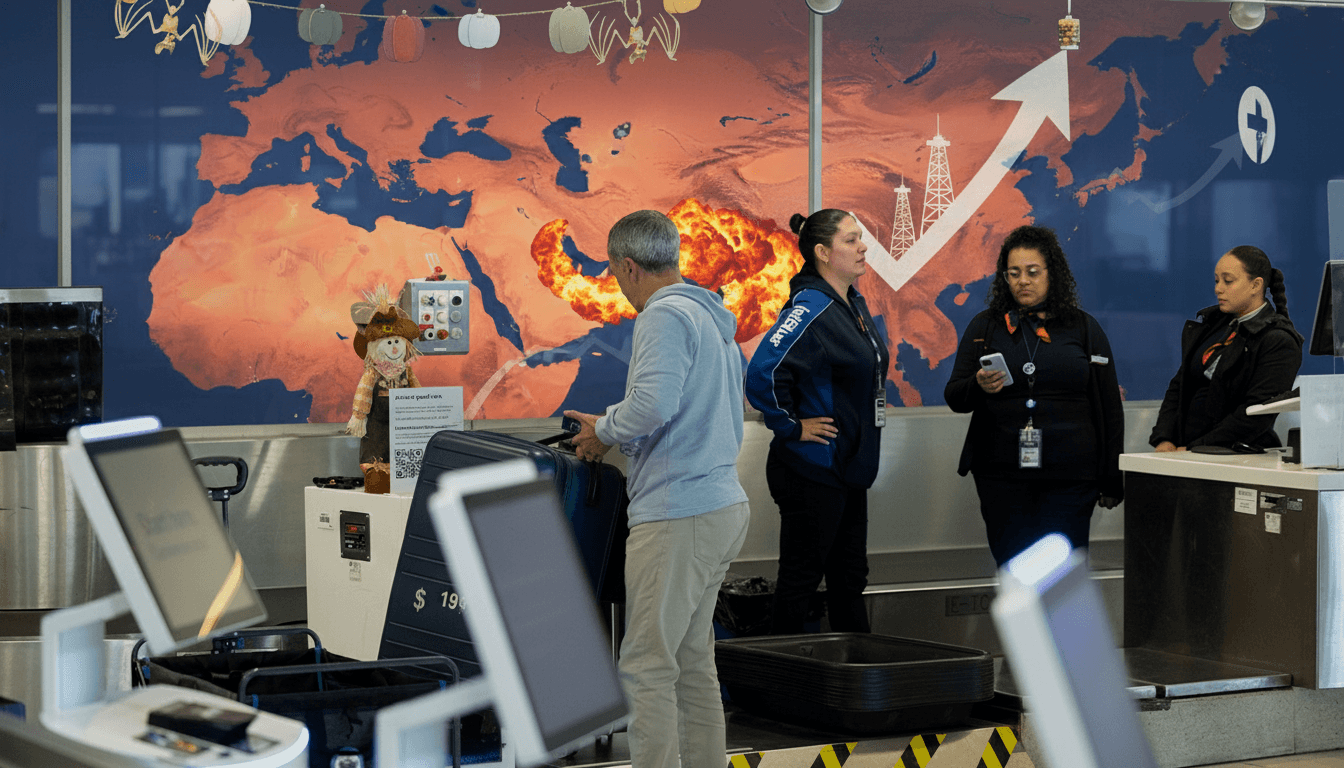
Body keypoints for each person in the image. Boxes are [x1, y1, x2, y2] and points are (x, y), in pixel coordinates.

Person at [564, 210, 750, 768]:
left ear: (628, 266)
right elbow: (676, 408)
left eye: (614, 273)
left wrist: (604, 430)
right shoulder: (710, 316)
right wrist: (611, 426)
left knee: (645, 666)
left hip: (677, 511)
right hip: (719, 504)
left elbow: (653, 404)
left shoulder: (664, 315)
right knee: (692, 663)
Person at [744, 209, 890, 635]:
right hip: (813, 468)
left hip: (849, 468)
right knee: (800, 582)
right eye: (851, 240)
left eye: (860, 237)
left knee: (849, 580)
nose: (862, 247)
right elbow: (763, 373)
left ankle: (855, 671)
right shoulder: (811, 306)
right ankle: (780, 675)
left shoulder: (851, 302)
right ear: (823, 252)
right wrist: (792, 426)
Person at [944, 225, 1124, 567]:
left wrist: (1112, 478)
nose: (1022, 281)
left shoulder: (1084, 328)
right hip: (1002, 477)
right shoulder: (985, 326)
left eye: (1032, 272)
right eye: (1013, 273)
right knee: (1015, 574)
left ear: (1051, 273)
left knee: (1063, 576)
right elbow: (955, 396)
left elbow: (1109, 408)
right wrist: (977, 385)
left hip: (1071, 478)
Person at [1150, 245, 1303, 452]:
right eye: (1216, 280)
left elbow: (1256, 413)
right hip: (1184, 451)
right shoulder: (1213, 326)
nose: (1218, 289)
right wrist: (1164, 438)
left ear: (1256, 285)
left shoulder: (1278, 341)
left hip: (1234, 455)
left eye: (1228, 281)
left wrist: (1195, 448)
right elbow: (1180, 385)